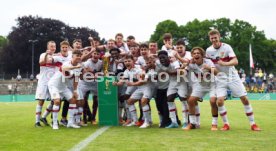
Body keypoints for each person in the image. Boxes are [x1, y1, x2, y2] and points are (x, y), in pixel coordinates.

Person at [206, 29, 261, 131]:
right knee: (220, 101)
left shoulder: (226, 47)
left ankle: (253, 124)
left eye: (215, 37)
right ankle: (226, 124)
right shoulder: (208, 51)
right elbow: (209, 65)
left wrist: (224, 63)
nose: (214, 40)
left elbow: (235, 61)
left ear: (219, 37)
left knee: (244, 99)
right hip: (220, 78)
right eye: (212, 38)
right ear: (210, 39)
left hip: (232, 76)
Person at [182, 47, 218, 130]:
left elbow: (217, 73)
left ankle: (214, 124)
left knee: (212, 101)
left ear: (202, 55)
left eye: (198, 53)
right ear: (192, 56)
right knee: (190, 101)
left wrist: (209, 68)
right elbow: (184, 71)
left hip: (212, 84)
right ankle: (192, 124)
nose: (196, 55)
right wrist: (183, 67)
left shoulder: (208, 62)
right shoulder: (191, 63)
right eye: (194, 53)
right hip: (201, 85)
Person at [48, 50, 84, 130]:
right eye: (76, 55)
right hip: (54, 85)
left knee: (73, 100)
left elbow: (76, 79)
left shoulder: (79, 67)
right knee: (57, 101)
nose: (78, 57)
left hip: (63, 87)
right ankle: (54, 123)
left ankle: (70, 123)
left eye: (79, 55)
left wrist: (75, 90)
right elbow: (64, 68)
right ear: (72, 56)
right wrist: (75, 67)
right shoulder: (67, 63)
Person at [34, 41, 56, 127]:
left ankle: (44, 116)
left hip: (52, 82)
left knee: (55, 100)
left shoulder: (56, 56)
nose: (53, 48)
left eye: (54, 46)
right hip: (43, 81)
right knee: (41, 101)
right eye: (51, 46)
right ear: (48, 47)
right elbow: (41, 63)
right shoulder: (43, 55)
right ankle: (37, 122)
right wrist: (47, 55)